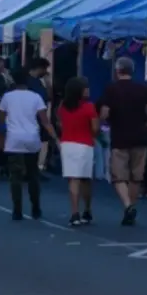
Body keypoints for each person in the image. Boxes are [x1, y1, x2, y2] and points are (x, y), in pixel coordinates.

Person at [0, 68, 59, 221]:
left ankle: (17, 210)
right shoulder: (36, 97)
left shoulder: (7, 97)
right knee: (33, 174)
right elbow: (45, 121)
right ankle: (36, 208)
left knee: (15, 176)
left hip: (14, 139)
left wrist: (1, 139)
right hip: (32, 137)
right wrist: (56, 138)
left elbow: (1, 120)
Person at [97, 57, 147, 226]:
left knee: (118, 176)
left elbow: (105, 113)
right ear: (132, 71)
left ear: (117, 70)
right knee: (136, 176)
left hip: (120, 136)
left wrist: (100, 125)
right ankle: (132, 206)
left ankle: (127, 205)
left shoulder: (111, 89)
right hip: (140, 136)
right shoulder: (143, 89)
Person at [57, 76, 98, 226]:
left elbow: (60, 124)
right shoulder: (89, 107)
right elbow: (95, 129)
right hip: (84, 144)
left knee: (73, 179)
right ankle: (87, 209)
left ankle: (74, 212)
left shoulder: (62, 107)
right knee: (86, 179)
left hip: (67, 144)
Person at [27, 58, 53, 175]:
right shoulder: (36, 83)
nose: (46, 71)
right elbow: (47, 97)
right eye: (45, 69)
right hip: (35, 118)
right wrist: (48, 83)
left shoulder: (30, 81)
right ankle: (32, 171)